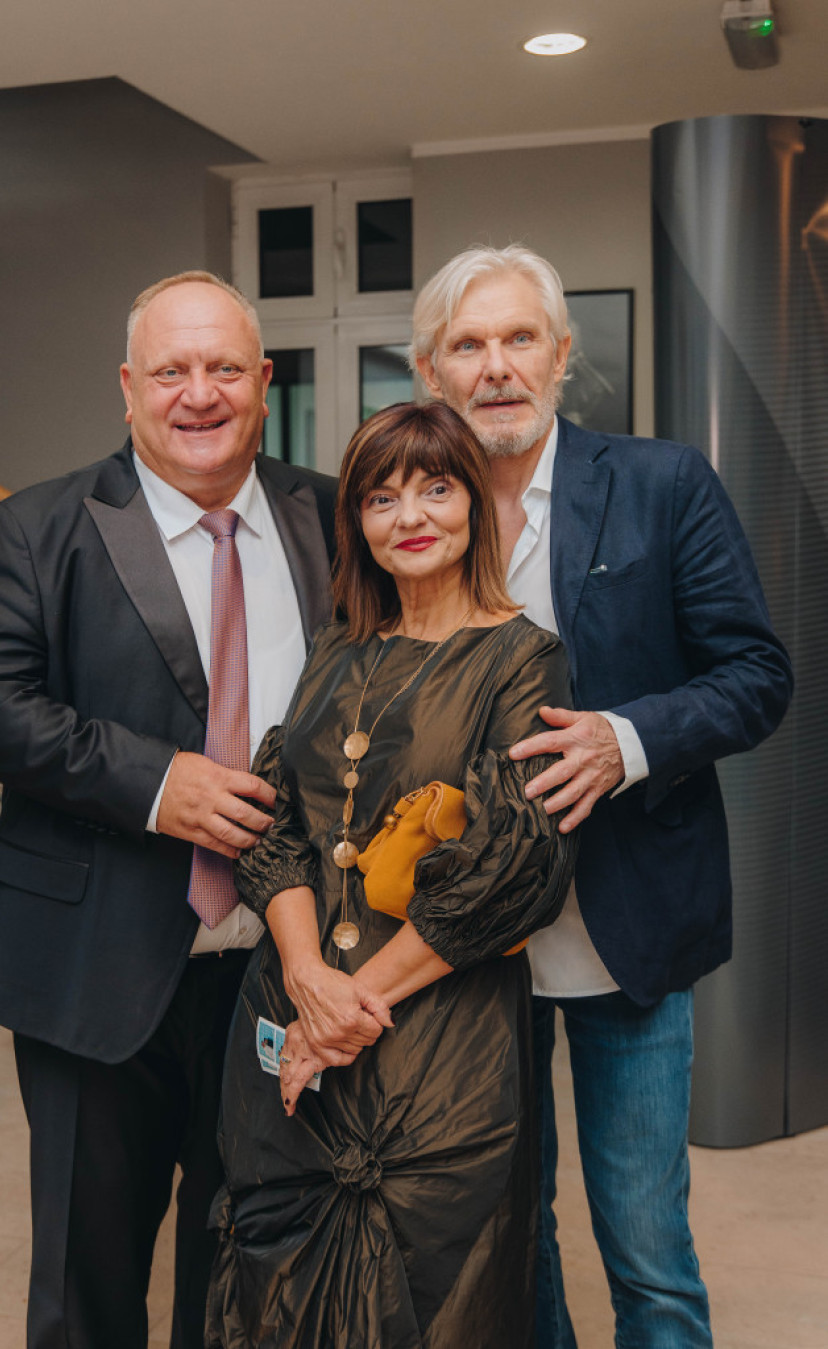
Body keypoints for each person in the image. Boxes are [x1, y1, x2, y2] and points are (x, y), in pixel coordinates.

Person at [0, 271, 337, 1349]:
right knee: (89, 1286)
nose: (198, 393)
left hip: (278, 972)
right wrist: (159, 784)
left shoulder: (335, 516)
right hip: (92, 965)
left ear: (264, 381)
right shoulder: (38, 526)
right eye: (171, 370)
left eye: (224, 367)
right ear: (127, 387)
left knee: (245, 1271)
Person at [410, 244, 794, 1347]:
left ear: (561, 353)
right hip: (467, 948)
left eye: (519, 337)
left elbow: (756, 674)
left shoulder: (664, 484)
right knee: (509, 1236)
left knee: (646, 1247)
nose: (496, 366)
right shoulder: (409, 515)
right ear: (431, 371)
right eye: (468, 345)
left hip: (628, 928)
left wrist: (625, 740)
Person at [204, 401, 577, 1348]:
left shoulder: (523, 659)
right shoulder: (338, 644)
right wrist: (304, 978)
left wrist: (341, 1013)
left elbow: (511, 869)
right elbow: (277, 820)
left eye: (436, 488)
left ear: (474, 503)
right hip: (290, 1022)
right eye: (381, 496)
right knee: (272, 1301)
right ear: (357, 521)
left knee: (433, 1305)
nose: (409, 515)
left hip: (438, 1054)